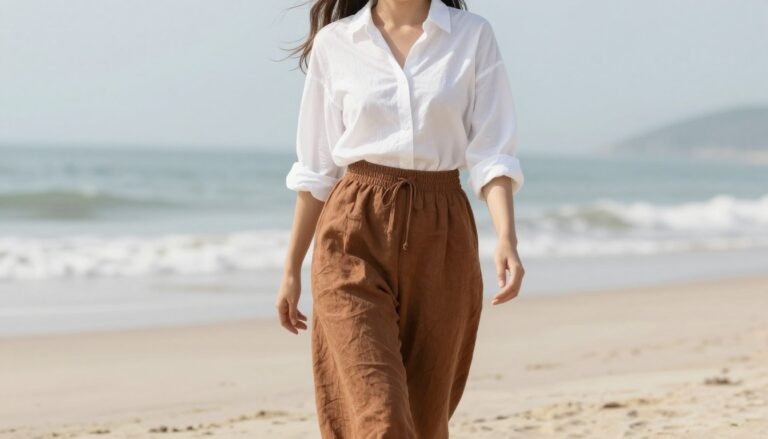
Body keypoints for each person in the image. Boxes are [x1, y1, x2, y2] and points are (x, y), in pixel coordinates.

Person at [276, 0, 525, 437]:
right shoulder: (336, 44)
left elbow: (492, 153)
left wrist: (506, 237)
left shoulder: (472, 36)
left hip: (443, 234)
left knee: (425, 419)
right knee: (382, 417)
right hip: (351, 231)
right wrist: (291, 268)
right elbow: (316, 169)